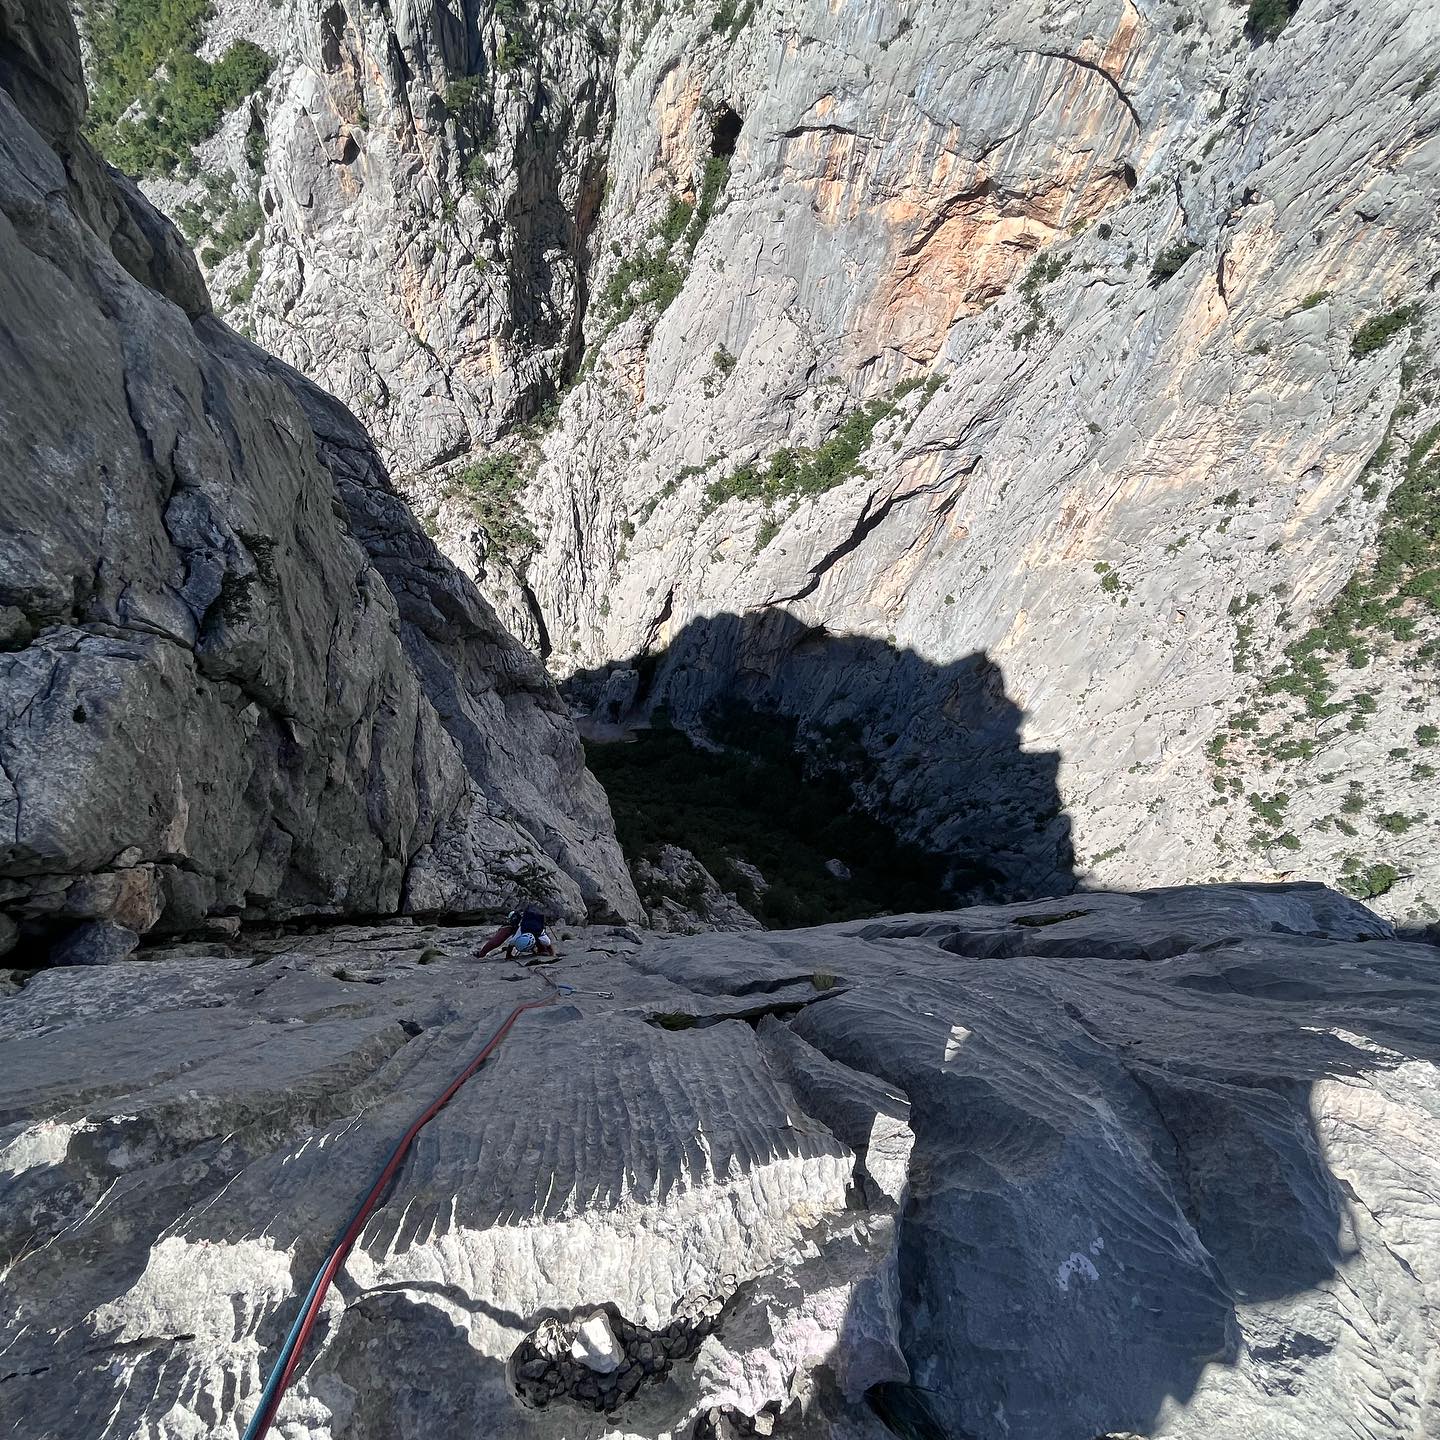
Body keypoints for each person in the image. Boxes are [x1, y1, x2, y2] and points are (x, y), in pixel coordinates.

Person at [475, 903, 556, 961]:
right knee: (499, 939)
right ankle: (482, 953)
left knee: (543, 948)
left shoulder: (542, 937)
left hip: (531, 927)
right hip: (521, 924)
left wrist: (509, 956)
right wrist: (553, 955)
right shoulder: (519, 934)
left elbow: (549, 945)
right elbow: (511, 944)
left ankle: (481, 953)